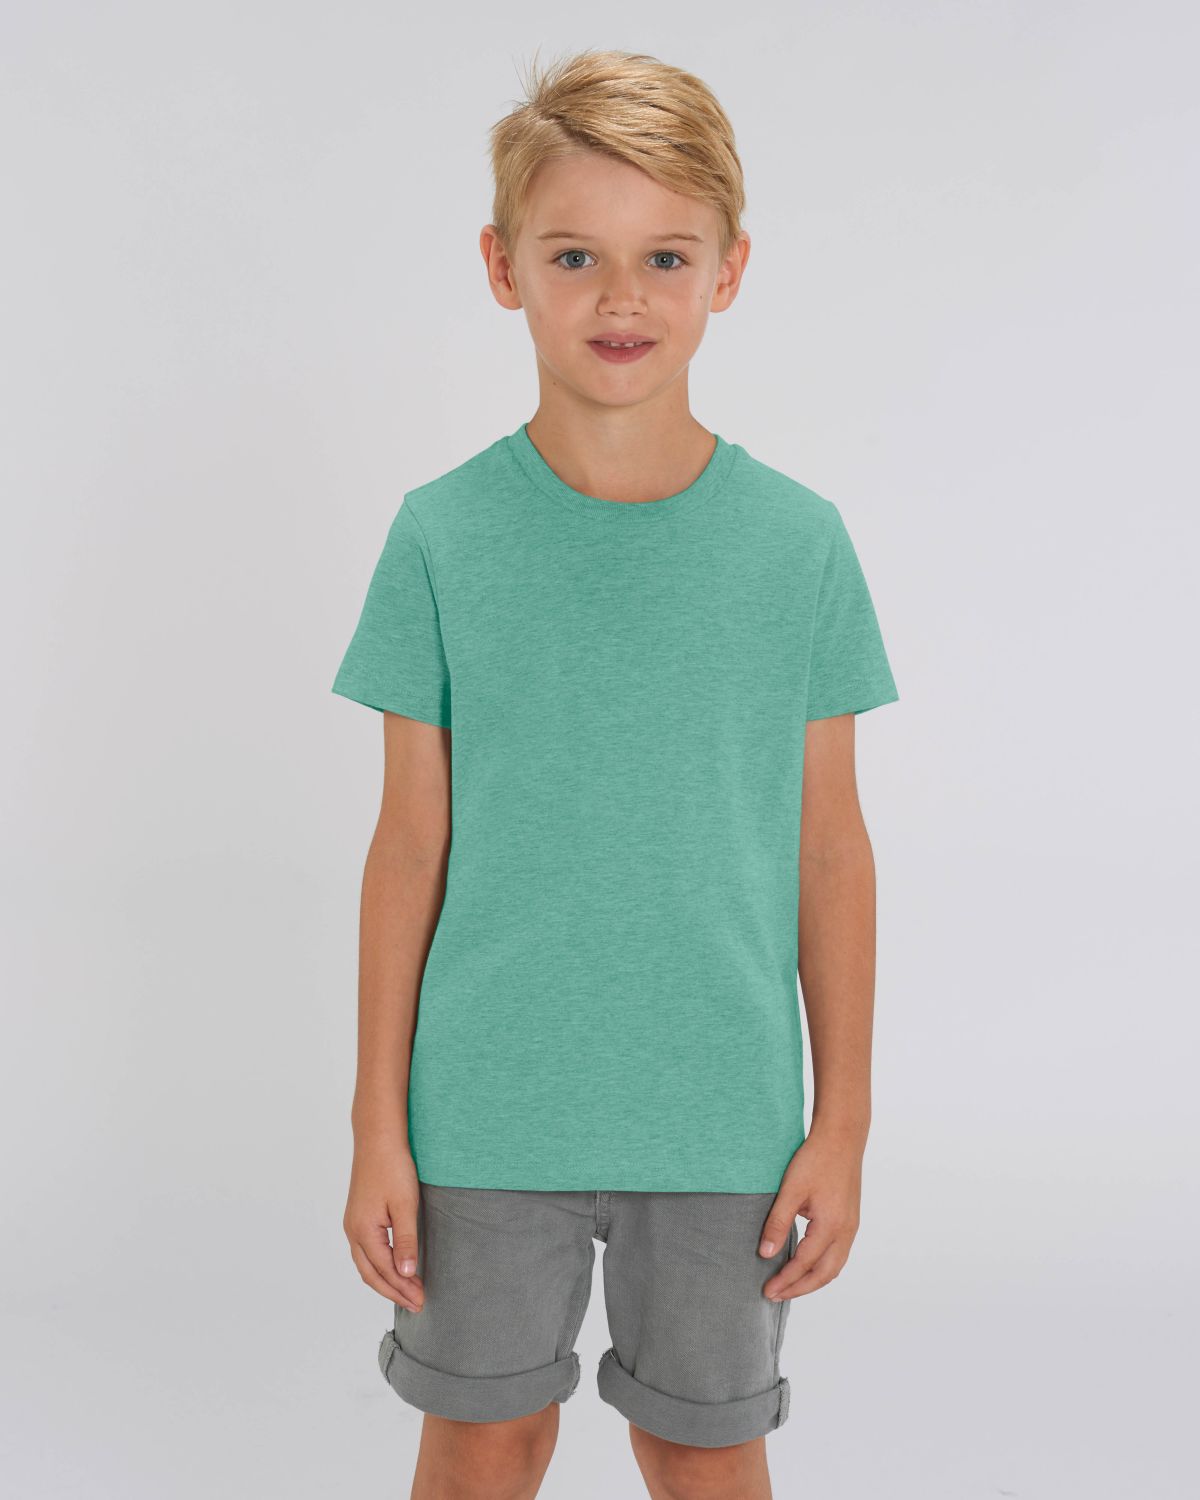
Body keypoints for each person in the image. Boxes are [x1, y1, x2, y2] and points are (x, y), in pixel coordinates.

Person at [331, 47, 899, 1500]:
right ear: (503, 267)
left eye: (666, 256)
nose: (621, 298)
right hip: (484, 1110)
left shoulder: (798, 545)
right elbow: (408, 849)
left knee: (704, 1452)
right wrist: (379, 1123)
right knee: (481, 1442)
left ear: (730, 271)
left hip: (722, 1113)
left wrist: (841, 1122)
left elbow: (828, 849)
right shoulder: (441, 536)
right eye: (574, 254)